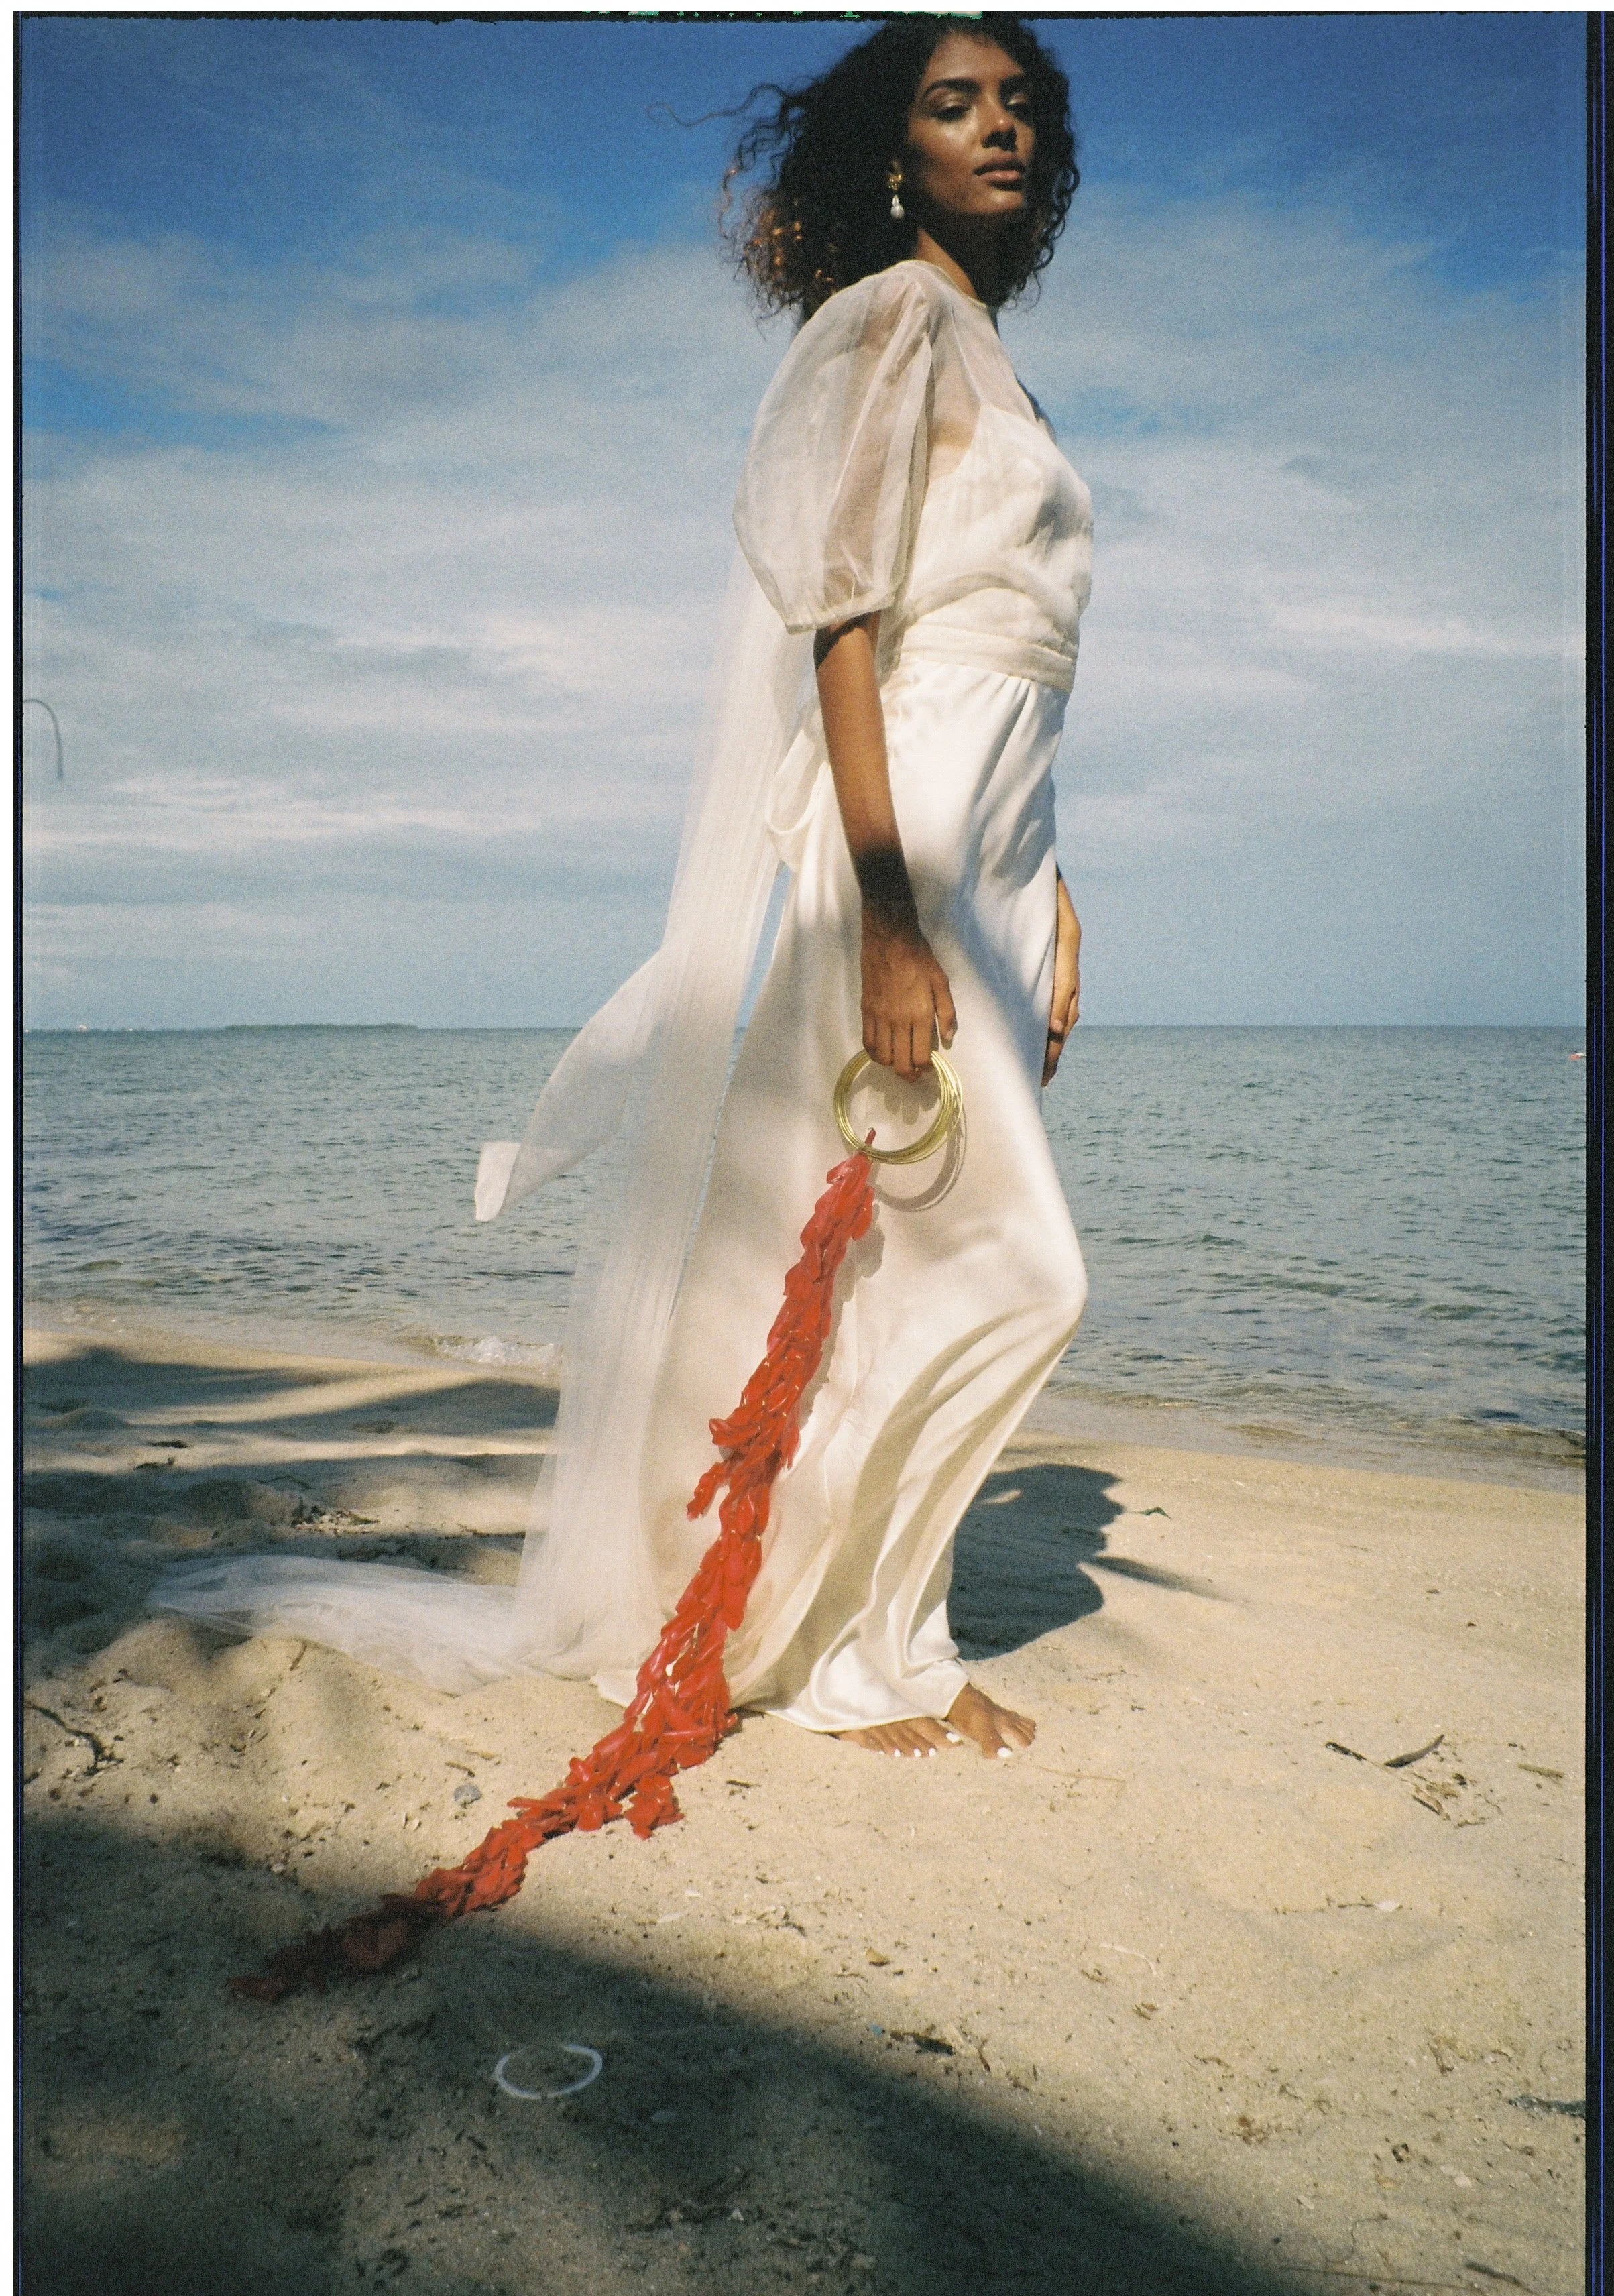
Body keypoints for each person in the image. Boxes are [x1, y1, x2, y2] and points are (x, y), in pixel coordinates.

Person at [161, 15, 1094, 1770]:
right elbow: (849, 629)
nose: (1000, 130)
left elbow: (1017, 663)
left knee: (917, 1263)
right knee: (1020, 1270)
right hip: (892, 859)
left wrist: (1051, 884)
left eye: (1022, 105)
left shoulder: (989, 351)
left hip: (989, 850)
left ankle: (875, 1640)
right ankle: (820, 1647)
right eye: (954, 104)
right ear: (890, 153)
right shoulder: (890, 324)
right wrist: (892, 910)